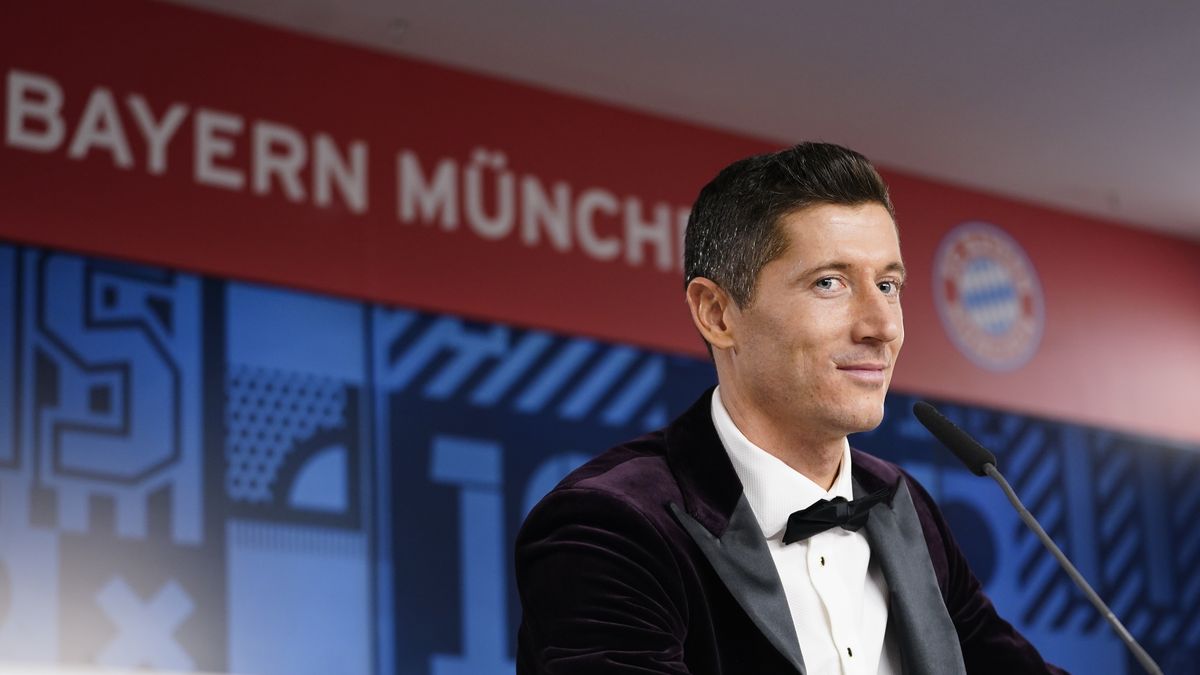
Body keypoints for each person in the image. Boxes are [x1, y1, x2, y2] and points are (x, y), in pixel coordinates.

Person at [515, 142, 1064, 674]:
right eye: (830, 283)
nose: (882, 326)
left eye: (888, 284)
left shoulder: (904, 508)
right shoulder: (609, 524)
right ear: (717, 314)